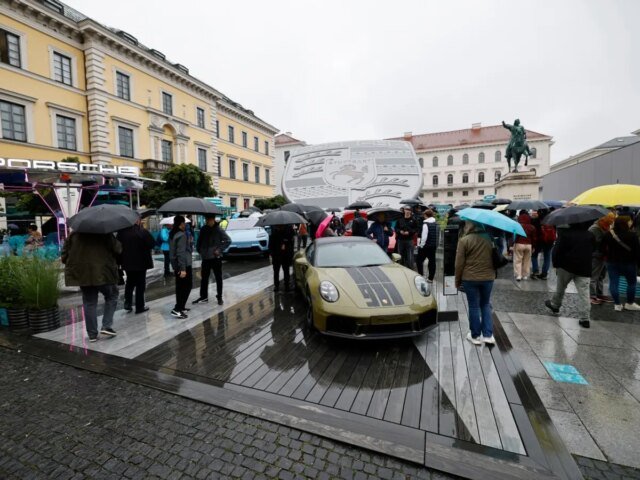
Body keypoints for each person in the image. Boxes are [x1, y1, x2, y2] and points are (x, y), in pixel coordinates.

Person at [61, 231, 122, 342]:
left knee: (89, 302)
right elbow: (118, 250)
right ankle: (106, 326)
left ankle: (92, 335)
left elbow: (64, 256)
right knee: (112, 295)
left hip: (83, 274)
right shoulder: (105, 233)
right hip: (104, 273)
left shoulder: (73, 235)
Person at [544, 222, 594, 328]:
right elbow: (593, 249)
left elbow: (557, 250)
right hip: (584, 268)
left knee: (561, 287)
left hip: (566, 266)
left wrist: (556, 264)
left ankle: (555, 305)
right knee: (584, 294)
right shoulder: (590, 235)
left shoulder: (565, 234)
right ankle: (585, 319)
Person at [454, 221, 496, 345]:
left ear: (469, 226)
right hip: (488, 277)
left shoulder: (464, 240)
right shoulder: (490, 239)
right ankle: (488, 335)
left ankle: (475, 336)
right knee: (485, 304)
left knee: (473, 306)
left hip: (470, 278)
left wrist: (457, 280)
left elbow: (459, 263)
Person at [116, 218, 155, 314]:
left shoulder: (121, 233)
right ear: (137, 221)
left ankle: (128, 303)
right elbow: (152, 244)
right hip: (141, 262)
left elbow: (117, 248)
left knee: (130, 282)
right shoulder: (142, 232)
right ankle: (139, 306)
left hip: (127, 263)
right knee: (140, 284)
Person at [601, 216, 640, 312]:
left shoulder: (608, 234)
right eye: (629, 221)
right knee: (631, 283)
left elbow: (601, 249)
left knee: (614, 283)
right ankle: (630, 303)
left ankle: (617, 304)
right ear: (625, 223)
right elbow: (637, 251)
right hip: (629, 263)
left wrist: (608, 256)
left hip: (612, 262)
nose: (631, 222)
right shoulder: (632, 235)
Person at [193, 215, 231, 306]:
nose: (207, 221)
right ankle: (204, 297)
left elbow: (228, 240)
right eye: (206, 219)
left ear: (213, 219)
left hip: (215, 258)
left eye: (209, 219)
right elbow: (199, 241)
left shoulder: (218, 229)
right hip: (205, 258)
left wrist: (219, 250)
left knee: (218, 278)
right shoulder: (203, 229)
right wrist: (200, 250)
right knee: (204, 278)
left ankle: (219, 296)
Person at [588, 213, 615, 304]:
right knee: (594, 276)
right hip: (596, 255)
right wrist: (608, 236)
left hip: (602, 255)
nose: (612, 221)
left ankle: (599, 294)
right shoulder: (595, 228)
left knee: (601, 276)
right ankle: (592, 296)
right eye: (611, 219)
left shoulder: (605, 227)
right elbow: (596, 242)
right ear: (605, 220)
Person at [169, 215, 192, 319]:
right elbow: (181, 253)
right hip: (184, 265)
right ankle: (177, 309)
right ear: (181, 224)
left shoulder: (172, 234)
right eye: (184, 223)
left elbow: (173, 252)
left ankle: (181, 306)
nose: (185, 225)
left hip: (176, 265)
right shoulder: (181, 235)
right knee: (187, 286)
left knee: (180, 287)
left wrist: (176, 267)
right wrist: (183, 269)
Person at [269, 224, 295, 292]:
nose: (280, 227)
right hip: (276, 256)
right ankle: (276, 286)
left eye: (281, 226)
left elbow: (291, 243)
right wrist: (272, 254)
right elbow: (270, 246)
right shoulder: (273, 233)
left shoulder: (288, 230)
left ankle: (287, 286)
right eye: (279, 226)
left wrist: (285, 244)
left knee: (286, 271)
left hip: (285, 256)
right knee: (276, 272)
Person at [532, 210, 555, 280]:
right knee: (547, 257)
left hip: (539, 241)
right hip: (549, 241)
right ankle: (544, 274)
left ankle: (535, 271)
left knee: (534, 255)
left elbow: (534, 231)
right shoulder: (552, 221)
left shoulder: (536, 221)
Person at [417, 209, 439, 282]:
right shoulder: (436, 223)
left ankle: (421, 275)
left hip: (426, 246)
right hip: (433, 246)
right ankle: (430, 278)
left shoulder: (425, 224)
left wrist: (421, 245)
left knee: (419, 260)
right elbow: (438, 235)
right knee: (432, 262)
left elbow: (424, 237)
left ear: (425, 215)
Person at [513, 212, 536, 281]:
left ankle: (518, 275)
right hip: (528, 245)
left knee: (518, 260)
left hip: (519, 244)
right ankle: (525, 275)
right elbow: (534, 238)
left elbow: (515, 236)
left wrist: (512, 244)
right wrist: (533, 246)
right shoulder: (532, 227)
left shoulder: (518, 226)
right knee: (527, 261)